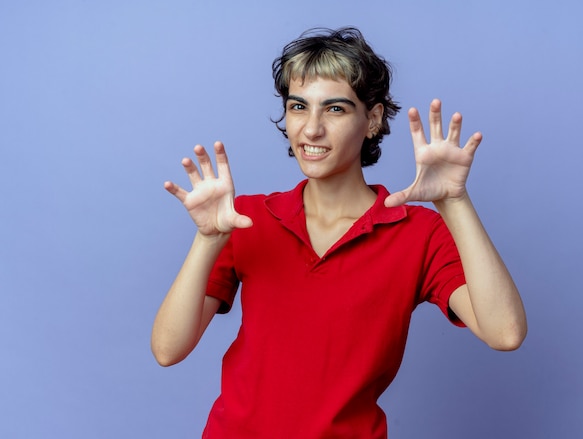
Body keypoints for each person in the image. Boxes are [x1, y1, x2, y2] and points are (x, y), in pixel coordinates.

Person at [151, 27, 527, 439]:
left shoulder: (418, 232)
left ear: (373, 120)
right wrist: (208, 240)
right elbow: (168, 350)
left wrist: (454, 201)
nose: (311, 130)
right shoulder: (244, 219)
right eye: (298, 107)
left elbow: (505, 333)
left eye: (335, 109)